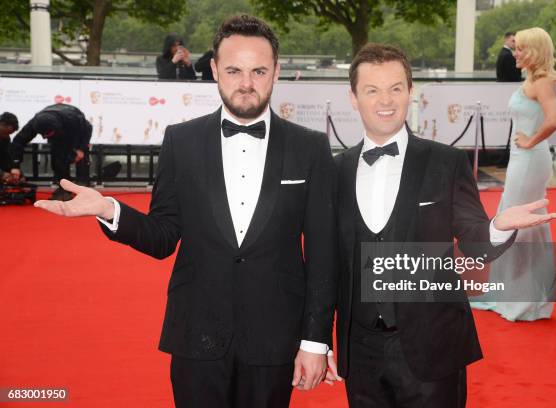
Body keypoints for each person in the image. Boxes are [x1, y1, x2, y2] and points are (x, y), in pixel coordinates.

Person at [35, 15, 337, 408]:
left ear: (277, 72)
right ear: (214, 70)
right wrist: (111, 209)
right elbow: (163, 236)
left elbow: (323, 255)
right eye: (233, 70)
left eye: (259, 70)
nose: (246, 83)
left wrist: (315, 341)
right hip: (196, 334)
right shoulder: (181, 141)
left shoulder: (310, 148)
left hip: (275, 339)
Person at [324, 43, 556, 407]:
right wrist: (318, 340)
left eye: (396, 88)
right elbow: (326, 266)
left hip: (433, 347)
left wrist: (498, 225)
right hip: (361, 353)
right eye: (372, 90)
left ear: (410, 91)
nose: (386, 100)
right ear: (353, 98)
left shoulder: (446, 163)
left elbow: (476, 242)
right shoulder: (334, 172)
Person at [472, 27, 556, 322]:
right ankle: (513, 294)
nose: (515, 53)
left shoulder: (543, 81)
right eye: (516, 47)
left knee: (518, 223)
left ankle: (521, 300)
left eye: (521, 49)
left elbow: (554, 120)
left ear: (535, 51)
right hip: (523, 159)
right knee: (516, 222)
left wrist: (531, 141)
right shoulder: (533, 79)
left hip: (530, 159)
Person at [9, 104, 92, 201]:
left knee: (81, 158)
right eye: (42, 135)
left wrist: (81, 149)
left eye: (48, 135)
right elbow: (18, 141)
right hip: (58, 130)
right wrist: (15, 166)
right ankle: (64, 189)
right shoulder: (34, 124)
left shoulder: (73, 119)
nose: (44, 137)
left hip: (75, 131)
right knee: (57, 159)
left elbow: (88, 128)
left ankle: (84, 189)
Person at [0, 112, 19, 182]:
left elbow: (6, 157)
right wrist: (2, 174)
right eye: (5, 133)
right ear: (2, 124)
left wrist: (14, 169)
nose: (7, 136)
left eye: (9, 134)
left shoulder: (5, 138)